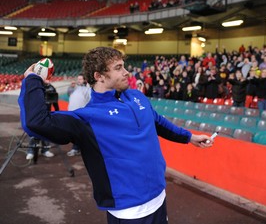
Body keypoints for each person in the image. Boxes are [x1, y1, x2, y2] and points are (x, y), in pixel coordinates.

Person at [19, 46, 214, 224]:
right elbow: (35, 121)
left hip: (159, 197)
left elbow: (156, 121)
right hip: (129, 212)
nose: (126, 72)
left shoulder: (136, 96)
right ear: (99, 76)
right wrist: (33, 79)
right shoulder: (87, 119)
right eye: (118, 67)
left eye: (124, 66)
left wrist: (189, 137)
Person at [26, 80, 58, 160]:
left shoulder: (51, 88)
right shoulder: (35, 87)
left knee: (46, 132)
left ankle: (45, 150)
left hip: (47, 114)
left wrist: (57, 111)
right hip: (35, 114)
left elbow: (54, 102)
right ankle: (31, 151)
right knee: (33, 134)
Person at [66, 74, 91, 157]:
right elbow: (69, 93)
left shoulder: (88, 89)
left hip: (82, 114)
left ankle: (76, 148)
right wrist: (71, 86)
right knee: (74, 132)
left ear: (84, 80)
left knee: (80, 132)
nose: (78, 80)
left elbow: (89, 98)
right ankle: (77, 148)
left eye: (80, 79)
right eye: (78, 79)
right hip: (72, 113)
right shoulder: (74, 88)